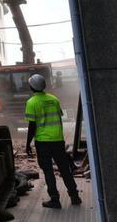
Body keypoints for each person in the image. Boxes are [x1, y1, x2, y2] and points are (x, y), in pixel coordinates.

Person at [24, 73, 82, 209]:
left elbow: (32, 126)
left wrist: (28, 144)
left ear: (32, 87)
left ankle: (55, 199)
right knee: (65, 169)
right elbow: (59, 117)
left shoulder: (31, 102)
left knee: (48, 171)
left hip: (43, 142)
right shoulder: (54, 99)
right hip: (57, 140)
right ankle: (75, 196)